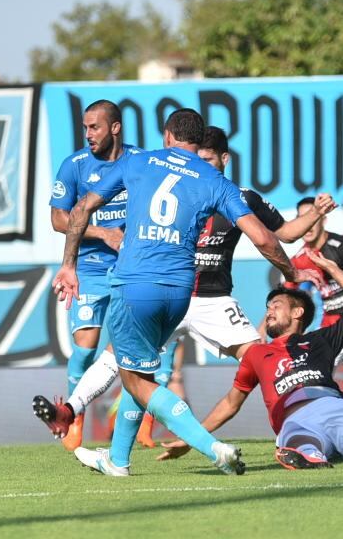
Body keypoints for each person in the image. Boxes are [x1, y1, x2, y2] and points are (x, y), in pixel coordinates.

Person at [48, 108, 308, 476]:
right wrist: (291, 272)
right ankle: (118, 459)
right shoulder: (216, 180)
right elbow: (264, 237)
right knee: (139, 371)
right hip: (181, 290)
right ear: (198, 142)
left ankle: (212, 447)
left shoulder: (141, 161)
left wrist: (69, 265)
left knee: (134, 379)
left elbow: (82, 208)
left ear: (168, 136)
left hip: (136, 283)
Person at [158, 286, 343, 470]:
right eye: (268, 307)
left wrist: (333, 270)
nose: (269, 312)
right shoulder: (255, 354)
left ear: (297, 312)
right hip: (295, 421)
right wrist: (193, 438)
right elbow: (230, 403)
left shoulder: (321, 339)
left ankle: (311, 454)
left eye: (276, 306)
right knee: (299, 443)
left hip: (331, 406)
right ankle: (309, 456)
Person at [45, 99, 138, 449]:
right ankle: (73, 416)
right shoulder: (75, 166)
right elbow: (58, 219)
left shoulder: (138, 161)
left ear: (115, 128)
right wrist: (105, 234)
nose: (88, 134)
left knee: (127, 351)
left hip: (130, 269)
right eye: (85, 127)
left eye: (94, 127)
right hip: (90, 269)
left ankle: (128, 433)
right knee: (85, 350)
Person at [290, 196, 343, 328]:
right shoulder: (298, 260)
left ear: (323, 220)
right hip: (329, 328)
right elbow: (284, 295)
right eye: (303, 219)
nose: (308, 226)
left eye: (312, 218)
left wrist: (332, 269)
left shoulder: (340, 246)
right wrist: (262, 328)